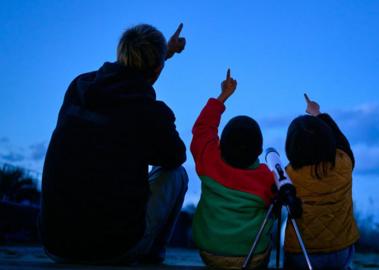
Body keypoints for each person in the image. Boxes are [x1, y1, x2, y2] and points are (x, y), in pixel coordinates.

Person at [40, 23, 188, 264]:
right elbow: (175, 156)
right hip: (114, 248)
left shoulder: (79, 87)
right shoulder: (151, 113)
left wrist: (164, 54)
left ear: (121, 54)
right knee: (177, 175)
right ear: (158, 70)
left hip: (55, 244)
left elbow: (126, 79)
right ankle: (150, 255)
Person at [190, 69, 275, 269]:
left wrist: (223, 97)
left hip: (209, 252)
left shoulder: (208, 159)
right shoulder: (266, 177)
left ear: (221, 144)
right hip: (252, 256)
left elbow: (203, 129)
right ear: (259, 150)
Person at [283, 94, 359, 270]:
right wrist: (317, 114)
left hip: (301, 252)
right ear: (328, 140)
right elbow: (341, 141)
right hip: (341, 250)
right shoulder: (344, 163)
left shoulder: (289, 174)